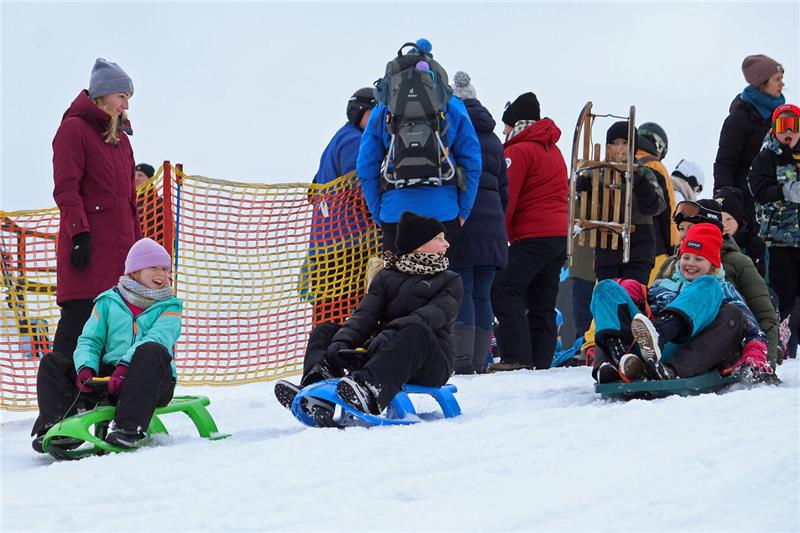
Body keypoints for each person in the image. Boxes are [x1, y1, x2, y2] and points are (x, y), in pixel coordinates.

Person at [274, 211, 462, 420]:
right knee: (325, 330)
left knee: (416, 330)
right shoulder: (386, 277)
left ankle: (369, 391)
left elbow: (429, 316)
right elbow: (365, 315)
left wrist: (388, 336)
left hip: (430, 360)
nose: (446, 244)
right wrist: (341, 342)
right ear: (418, 244)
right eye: (439, 239)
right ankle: (316, 389)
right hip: (381, 352)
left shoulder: (449, 280)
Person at [31, 238, 182, 451]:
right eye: (154, 267)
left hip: (153, 380)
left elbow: (158, 338)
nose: (162, 274)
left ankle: (127, 428)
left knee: (152, 350)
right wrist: (86, 368)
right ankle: (57, 425)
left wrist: (126, 366)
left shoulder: (170, 307)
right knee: (53, 362)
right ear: (135, 271)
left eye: (165, 269)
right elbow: (90, 340)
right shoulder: (108, 302)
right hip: (110, 379)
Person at [591, 224, 770, 383]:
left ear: (713, 265)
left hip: (691, 350)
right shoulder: (663, 285)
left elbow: (753, 330)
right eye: (686, 257)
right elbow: (639, 312)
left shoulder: (720, 288)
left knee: (717, 294)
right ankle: (620, 358)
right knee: (606, 287)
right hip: (648, 350)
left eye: (699, 259)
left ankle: (663, 342)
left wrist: (755, 357)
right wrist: (632, 290)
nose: (690, 264)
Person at [51, 58, 142, 359]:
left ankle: (101, 386)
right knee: (79, 326)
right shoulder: (73, 130)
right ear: (103, 94)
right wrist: (79, 235)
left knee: (113, 332)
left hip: (119, 256)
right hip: (88, 250)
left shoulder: (122, 142)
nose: (126, 105)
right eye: (121, 96)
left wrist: (138, 251)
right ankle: (58, 389)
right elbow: (67, 189)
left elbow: (130, 203)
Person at [356, 39, 482, 252]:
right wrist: (463, 211)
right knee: (441, 275)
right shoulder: (451, 105)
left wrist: (379, 213)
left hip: (395, 214)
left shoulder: (383, 108)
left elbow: (365, 165)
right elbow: (472, 162)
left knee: (396, 274)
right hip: (443, 213)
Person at [488, 92, 568, 371]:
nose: (503, 132)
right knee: (542, 302)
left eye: (506, 126)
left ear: (516, 124)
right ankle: (540, 363)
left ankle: (516, 358)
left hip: (532, 236)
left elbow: (507, 199)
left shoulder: (518, 150)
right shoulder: (552, 149)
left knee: (503, 289)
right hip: (558, 236)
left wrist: (499, 238)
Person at [655, 199, 781, 367]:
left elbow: (765, 316)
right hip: (672, 340)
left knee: (727, 307)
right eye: (681, 229)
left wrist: (765, 364)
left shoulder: (737, 262)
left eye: (691, 228)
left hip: (718, 345)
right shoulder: (671, 264)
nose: (684, 235)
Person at [446, 72, 508, 374]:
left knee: (463, 290)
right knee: (483, 293)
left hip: (465, 221)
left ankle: (462, 361)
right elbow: (505, 190)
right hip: (493, 227)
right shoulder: (494, 139)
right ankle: (479, 359)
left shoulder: (453, 131)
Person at [304, 87, 377, 326]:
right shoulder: (355, 141)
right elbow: (359, 189)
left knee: (326, 315)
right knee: (355, 312)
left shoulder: (337, 139)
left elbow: (314, 189)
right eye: (374, 112)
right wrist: (380, 219)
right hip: (349, 244)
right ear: (360, 112)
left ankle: (321, 349)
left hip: (323, 244)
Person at [577, 121, 666, 284]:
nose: (619, 148)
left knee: (633, 294)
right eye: (614, 143)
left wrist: (641, 185)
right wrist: (584, 192)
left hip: (639, 249)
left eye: (625, 142)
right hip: (606, 251)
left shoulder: (645, 172)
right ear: (607, 146)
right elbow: (586, 213)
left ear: (633, 146)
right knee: (608, 295)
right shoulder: (596, 174)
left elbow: (657, 206)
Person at [714, 54, 785, 221]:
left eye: (781, 78)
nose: (782, 84)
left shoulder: (781, 118)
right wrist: (723, 204)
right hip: (747, 211)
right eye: (777, 79)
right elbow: (725, 164)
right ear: (761, 83)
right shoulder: (739, 118)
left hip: (778, 210)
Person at [748, 103, 800, 324]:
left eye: (794, 125)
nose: (788, 131)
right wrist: (785, 190)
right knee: (782, 296)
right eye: (782, 125)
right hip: (778, 241)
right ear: (774, 128)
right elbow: (758, 191)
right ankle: (773, 332)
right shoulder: (766, 158)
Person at [637, 122, 679, 284]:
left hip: (612, 253)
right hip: (652, 251)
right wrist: (673, 249)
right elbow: (668, 214)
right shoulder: (656, 167)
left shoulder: (616, 164)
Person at [713, 186, 767, 277]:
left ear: (739, 219)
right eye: (719, 220)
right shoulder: (710, 242)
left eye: (729, 219)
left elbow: (759, 279)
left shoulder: (754, 245)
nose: (724, 225)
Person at [133, 162, 164, 241]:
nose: (136, 178)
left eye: (140, 175)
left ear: (150, 179)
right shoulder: (129, 200)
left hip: (152, 245)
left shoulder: (158, 203)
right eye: (134, 176)